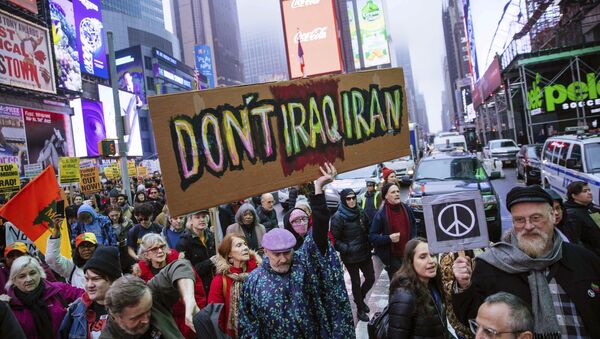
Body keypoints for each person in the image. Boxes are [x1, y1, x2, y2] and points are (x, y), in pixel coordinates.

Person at [452, 185, 600, 337]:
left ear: (553, 216)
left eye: (536, 218)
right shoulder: (491, 265)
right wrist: (464, 287)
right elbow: (472, 318)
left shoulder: (584, 260)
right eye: (519, 220)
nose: (528, 226)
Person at [238, 163, 354, 337]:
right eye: (277, 254)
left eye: (287, 252)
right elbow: (247, 325)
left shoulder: (304, 265)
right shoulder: (252, 282)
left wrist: (318, 188)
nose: (283, 259)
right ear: (265, 251)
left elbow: (320, 231)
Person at [100, 260, 199, 338]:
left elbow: (180, 266)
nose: (146, 320)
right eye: (136, 317)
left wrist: (188, 299)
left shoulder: (152, 295)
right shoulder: (109, 336)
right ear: (116, 317)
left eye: (148, 310)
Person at [134, 234, 206, 339]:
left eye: (162, 246)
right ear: (146, 255)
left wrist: (194, 317)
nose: (160, 251)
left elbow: (198, 293)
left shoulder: (180, 265)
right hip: (162, 325)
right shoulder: (140, 275)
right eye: (154, 249)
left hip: (188, 320)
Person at [6, 256, 83, 338]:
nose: (28, 279)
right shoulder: (9, 305)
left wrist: (75, 308)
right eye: (22, 276)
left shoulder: (59, 290)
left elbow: (87, 296)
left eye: (32, 273)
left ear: (40, 273)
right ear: (13, 280)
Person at [388, 238, 448, 338]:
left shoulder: (432, 283)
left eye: (432, 255)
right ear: (410, 262)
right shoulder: (404, 296)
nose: (431, 261)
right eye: (423, 257)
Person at [59, 247, 122, 338]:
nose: (89, 285)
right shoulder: (76, 308)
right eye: (87, 279)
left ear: (113, 281)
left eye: (96, 279)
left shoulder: (128, 309)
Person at [331, 188, 374, 322]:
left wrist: (370, 240)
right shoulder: (338, 217)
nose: (351, 201)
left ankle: (359, 299)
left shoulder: (360, 212)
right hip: (350, 257)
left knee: (370, 278)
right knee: (355, 282)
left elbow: (368, 226)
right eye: (348, 199)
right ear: (344, 200)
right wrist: (347, 249)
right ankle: (360, 309)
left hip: (364, 252)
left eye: (353, 198)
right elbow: (334, 240)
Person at [208, 233, 261, 338]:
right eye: (239, 245)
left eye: (245, 244)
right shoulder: (220, 280)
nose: (245, 247)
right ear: (229, 254)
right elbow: (216, 316)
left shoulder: (259, 272)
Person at [370, 182, 417, 279]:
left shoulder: (406, 208)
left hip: (408, 255)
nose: (397, 194)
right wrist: (389, 238)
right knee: (398, 288)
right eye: (393, 192)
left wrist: (413, 243)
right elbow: (372, 237)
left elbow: (414, 226)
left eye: (398, 191)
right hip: (393, 259)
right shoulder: (381, 214)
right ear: (386, 196)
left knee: (411, 284)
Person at [176, 210, 216, 294]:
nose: (202, 220)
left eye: (204, 217)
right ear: (190, 221)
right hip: (199, 289)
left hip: (215, 284)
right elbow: (187, 272)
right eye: (197, 217)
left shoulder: (211, 235)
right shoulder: (183, 243)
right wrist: (209, 262)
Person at [563, 181, 600, 256]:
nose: (589, 193)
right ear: (574, 196)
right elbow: (576, 242)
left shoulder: (592, 208)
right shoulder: (571, 214)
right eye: (585, 191)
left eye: (589, 190)